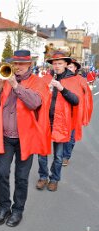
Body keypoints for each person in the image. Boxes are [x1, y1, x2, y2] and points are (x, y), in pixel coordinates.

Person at [0, 50, 50, 227]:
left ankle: (18, 209)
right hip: (6, 137)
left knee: (21, 177)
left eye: (22, 64)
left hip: (25, 139)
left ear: (30, 64)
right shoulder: (5, 79)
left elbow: (35, 103)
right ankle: (4, 207)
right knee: (1, 173)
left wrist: (16, 86)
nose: (18, 67)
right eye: (15, 63)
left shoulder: (38, 82)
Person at [36, 50, 82, 192]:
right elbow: (37, 99)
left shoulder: (73, 80)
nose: (56, 66)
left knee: (58, 156)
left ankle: (54, 179)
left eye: (59, 63)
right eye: (54, 63)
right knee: (42, 152)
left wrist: (62, 89)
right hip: (45, 121)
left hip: (61, 123)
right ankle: (43, 177)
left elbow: (76, 101)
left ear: (66, 64)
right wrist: (45, 92)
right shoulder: (45, 78)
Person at [62, 58, 93, 166]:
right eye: (67, 67)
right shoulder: (61, 79)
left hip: (75, 113)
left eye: (70, 67)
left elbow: (87, 96)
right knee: (63, 134)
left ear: (75, 68)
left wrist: (84, 111)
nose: (68, 69)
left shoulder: (81, 80)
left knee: (71, 137)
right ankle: (62, 153)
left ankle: (66, 156)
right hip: (63, 113)